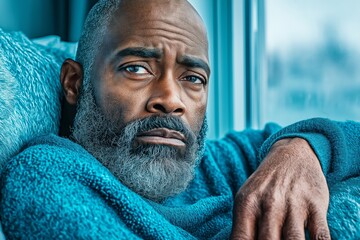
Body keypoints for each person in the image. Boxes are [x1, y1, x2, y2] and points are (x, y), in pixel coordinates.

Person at [0, 0, 359, 239]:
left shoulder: (217, 163)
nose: (171, 100)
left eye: (193, 78)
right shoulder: (47, 177)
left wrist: (300, 150)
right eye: (137, 68)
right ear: (74, 83)